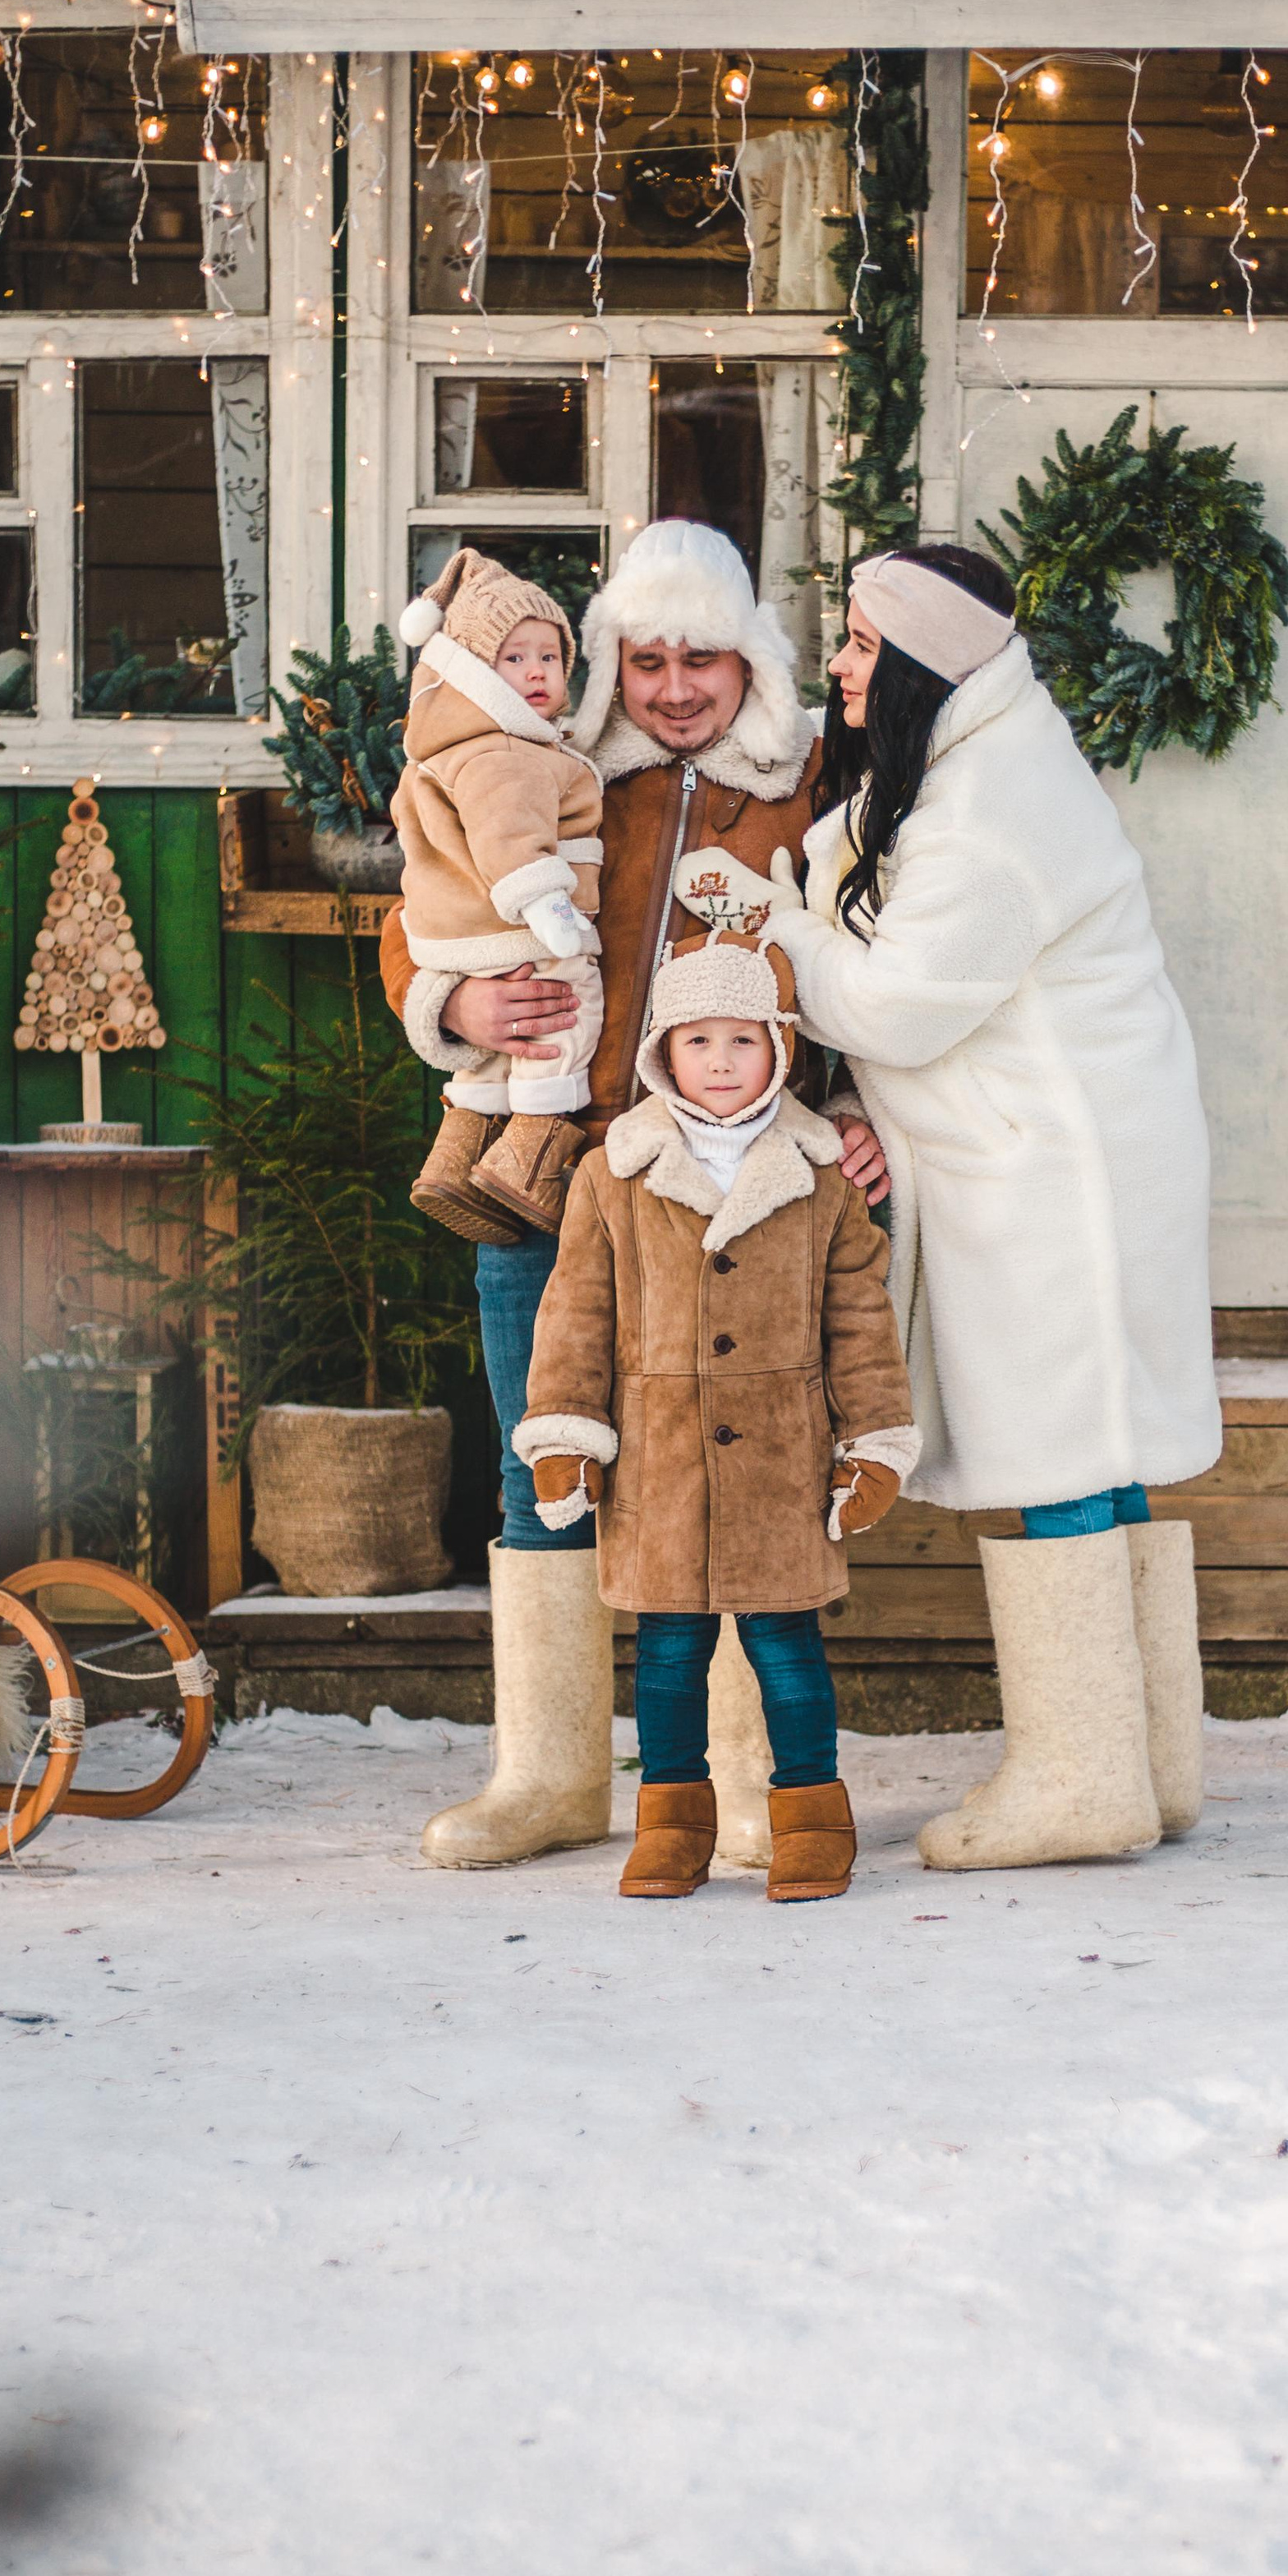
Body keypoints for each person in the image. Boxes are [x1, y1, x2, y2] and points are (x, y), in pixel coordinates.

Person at [377, 518, 887, 1872]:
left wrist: (855, 1110)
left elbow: (874, 967)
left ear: (748, 667)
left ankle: (728, 1784)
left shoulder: (806, 793)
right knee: (534, 1461)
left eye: (700, 660)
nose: (671, 688)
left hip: (741, 1190)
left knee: (747, 1463)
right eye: (646, 659)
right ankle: (546, 1775)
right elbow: (420, 907)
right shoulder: (541, 767)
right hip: (549, 1172)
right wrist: (455, 995)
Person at [740, 540, 1222, 1873]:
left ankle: (1080, 1781)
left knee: (1056, 1444)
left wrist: (779, 930)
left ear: (918, 663)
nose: (836, 663)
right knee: (1100, 1447)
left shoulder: (990, 811)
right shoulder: (972, 765)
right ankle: (1148, 1765)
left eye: (855, 643)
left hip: (1052, 1175)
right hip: (1070, 1154)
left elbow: (889, 1001)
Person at [515, 933, 918, 1901]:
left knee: (787, 1654)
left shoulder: (819, 1180)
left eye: (744, 1040)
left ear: (779, 1050)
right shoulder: (613, 1175)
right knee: (666, 1659)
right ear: (664, 1053)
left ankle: (813, 1818)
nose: (723, 1061)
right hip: (661, 1468)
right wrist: (567, 1432)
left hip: (783, 1461)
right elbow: (575, 1311)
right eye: (700, 1041)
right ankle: (670, 1823)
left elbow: (861, 1319)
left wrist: (871, 1446)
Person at [391, 546, 605, 1238]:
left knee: (496, 1061)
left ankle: (457, 1155)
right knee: (568, 1012)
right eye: (515, 659)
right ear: (476, 672)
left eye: (550, 657)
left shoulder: (466, 747)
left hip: (468, 939)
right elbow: (511, 841)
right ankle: (528, 1159)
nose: (537, 672)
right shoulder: (509, 752)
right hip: (528, 931)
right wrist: (450, 1003)